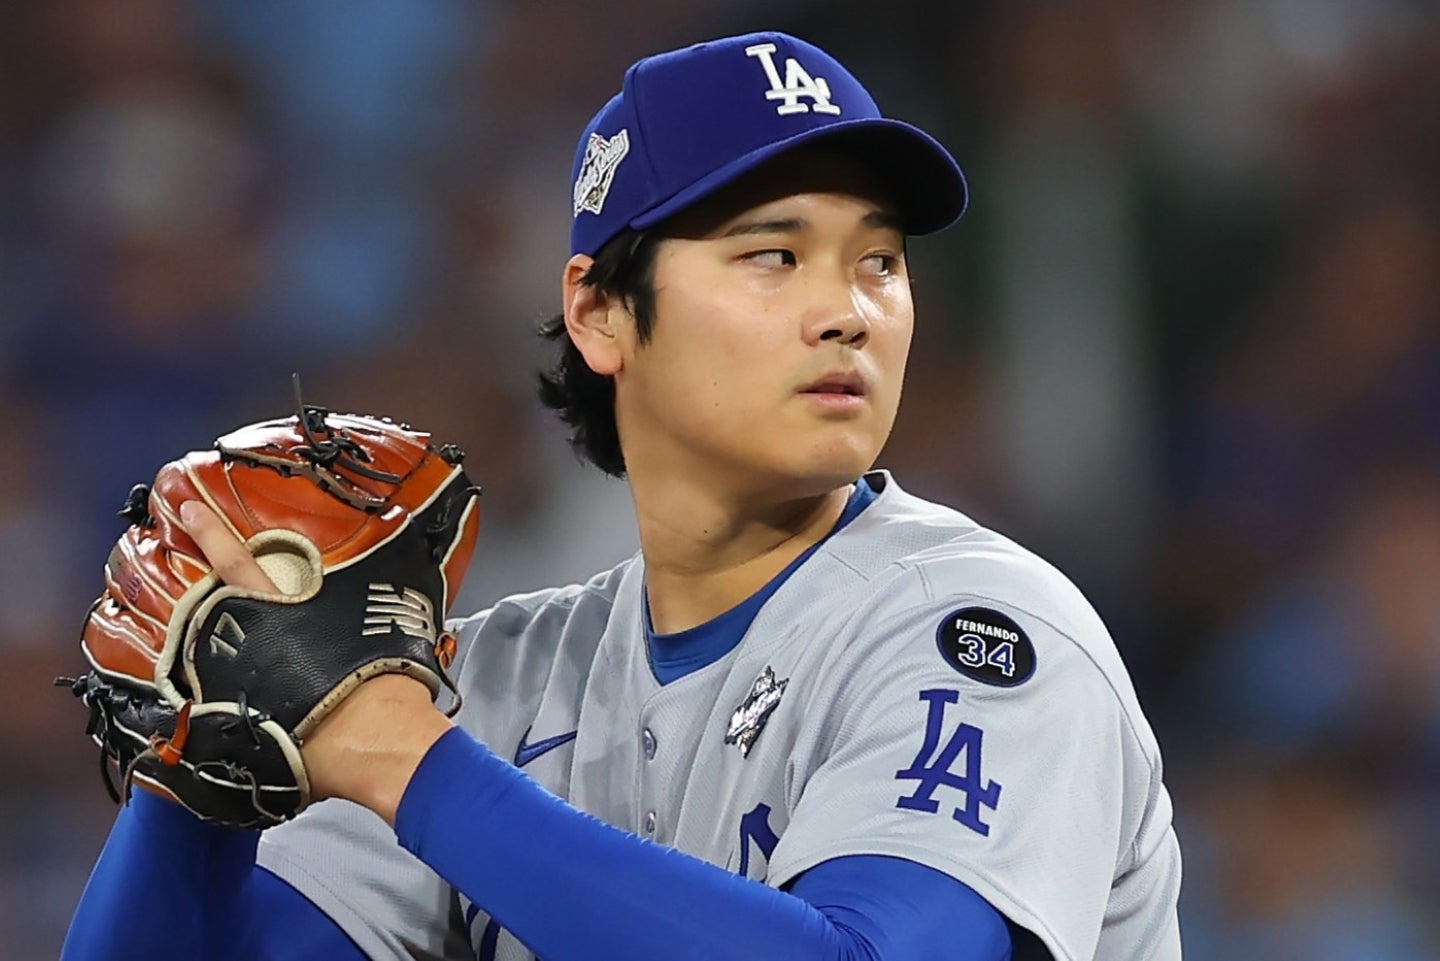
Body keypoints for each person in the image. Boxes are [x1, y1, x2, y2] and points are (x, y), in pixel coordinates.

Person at [62, 31, 1182, 961]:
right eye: (773, 255)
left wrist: (404, 760)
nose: (848, 310)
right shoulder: (496, 681)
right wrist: (195, 766)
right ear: (600, 310)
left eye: (878, 260)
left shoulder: (977, 634)